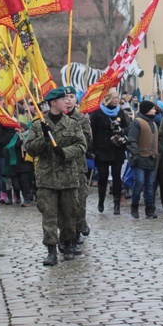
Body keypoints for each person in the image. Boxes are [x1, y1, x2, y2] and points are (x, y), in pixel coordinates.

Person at [24, 87, 87, 266]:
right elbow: (29, 149)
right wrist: (44, 138)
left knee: (69, 213)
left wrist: (65, 152)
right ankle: (51, 250)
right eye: (63, 99)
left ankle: (67, 244)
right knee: (49, 215)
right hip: (47, 177)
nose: (67, 102)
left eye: (68, 99)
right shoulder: (38, 124)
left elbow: (82, 146)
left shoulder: (72, 123)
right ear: (53, 103)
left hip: (68, 176)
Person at [89, 88, 129, 215]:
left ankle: (116, 202)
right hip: (102, 150)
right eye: (114, 97)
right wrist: (92, 150)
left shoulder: (121, 113)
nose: (116, 100)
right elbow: (92, 133)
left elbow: (128, 127)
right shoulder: (98, 113)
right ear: (107, 98)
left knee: (117, 177)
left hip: (117, 149)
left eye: (117, 97)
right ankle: (101, 200)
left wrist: (122, 131)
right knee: (103, 176)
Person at [64, 85, 92, 251]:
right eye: (65, 97)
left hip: (78, 166)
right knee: (65, 205)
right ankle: (67, 235)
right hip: (61, 168)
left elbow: (87, 141)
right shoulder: (54, 118)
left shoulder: (82, 119)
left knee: (79, 202)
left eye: (71, 97)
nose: (68, 100)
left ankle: (78, 230)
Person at [126, 100, 160, 219]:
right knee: (139, 183)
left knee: (150, 186)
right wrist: (136, 154)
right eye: (152, 108)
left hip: (151, 158)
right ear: (146, 109)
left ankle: (149, 209)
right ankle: (134, 206)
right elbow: (132, 140)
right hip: (140, 158)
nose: (155, 110)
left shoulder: (154, 123)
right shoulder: (137, 122)